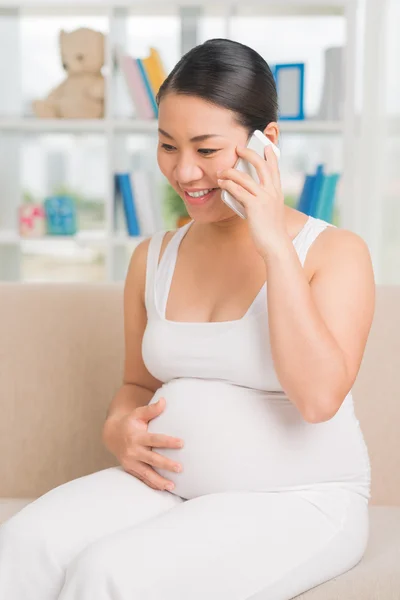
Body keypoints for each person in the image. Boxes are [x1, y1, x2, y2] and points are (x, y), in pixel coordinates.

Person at [0, 38, 375, 600]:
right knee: (21, 547)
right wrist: (117, 428)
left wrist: (274, 245)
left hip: (301, 499)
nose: (183, 170)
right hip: (170, 489)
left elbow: (319, 399)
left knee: (110, 575)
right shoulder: (152, 257)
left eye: (206, 148)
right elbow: (135, 385)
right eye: (168, 145)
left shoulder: (335, 252)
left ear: (264, 142)